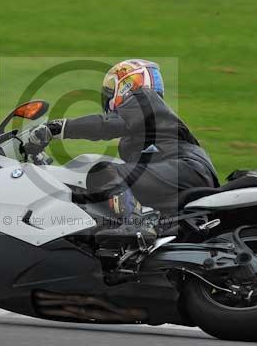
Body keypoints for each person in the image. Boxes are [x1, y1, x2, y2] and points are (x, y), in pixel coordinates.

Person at [26, 59, 219, 246]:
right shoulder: (146, 120)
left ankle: (137, 223)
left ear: (128, 85)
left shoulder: (143, 100)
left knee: (102, 172)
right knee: (104, 188)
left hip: (184, 166)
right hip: (183, 171)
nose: (108, 94)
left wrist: (57, 128)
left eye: (112, 87)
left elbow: (106, 125)